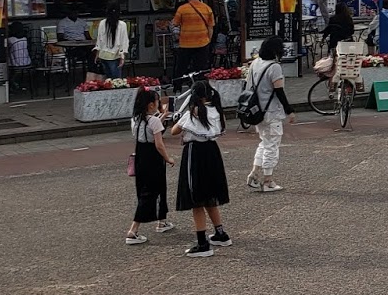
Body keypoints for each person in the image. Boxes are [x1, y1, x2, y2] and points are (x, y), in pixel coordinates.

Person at [170, 79, 231, 257]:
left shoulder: (192, 112)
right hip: (212, 152)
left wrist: (178, 119)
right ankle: (220, 233)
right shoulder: (216, 110)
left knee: (196, 198)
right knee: (210, 195)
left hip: (195, 153)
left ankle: (202, 243)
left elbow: (174, 131)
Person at [245, 37, 296, 193]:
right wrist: (289, 110)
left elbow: (247, 85)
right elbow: (279, 91)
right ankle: (268, 181)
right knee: (272, 145)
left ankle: (254, 173)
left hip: (257, 111)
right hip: (271, 112)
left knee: (264, 142)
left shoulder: (255, 63)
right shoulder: (274, 67)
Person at [124, 88, 175, 245]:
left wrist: (162, 117)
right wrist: (168, 158)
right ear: (151, 104)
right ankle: (133, 230)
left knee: (146, 189)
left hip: (140, 155)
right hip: (153, 157)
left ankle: (162, 220)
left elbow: (146, 129)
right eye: (157, 102)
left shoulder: (136, 119)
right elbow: (159, 144)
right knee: (153, 190)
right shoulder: (154, 121)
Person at [172, 0, 215, 76]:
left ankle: (179, 84)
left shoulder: (182, 9)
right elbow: (210, 27)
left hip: (185, 44)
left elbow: (175, 23)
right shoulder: (207, 8)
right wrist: (208, 40)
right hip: (202, 43)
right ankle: (199, 83)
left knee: (181, 68)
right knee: (200, 69)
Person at [92, 4, 130, 78]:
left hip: (103, 55)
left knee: (107, 80)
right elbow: (124, 42)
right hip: (115, 56)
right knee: (116, 81)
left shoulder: (102, 23)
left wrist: (97, 54)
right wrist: (122, 57)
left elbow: (99, 40)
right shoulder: (122, 24)